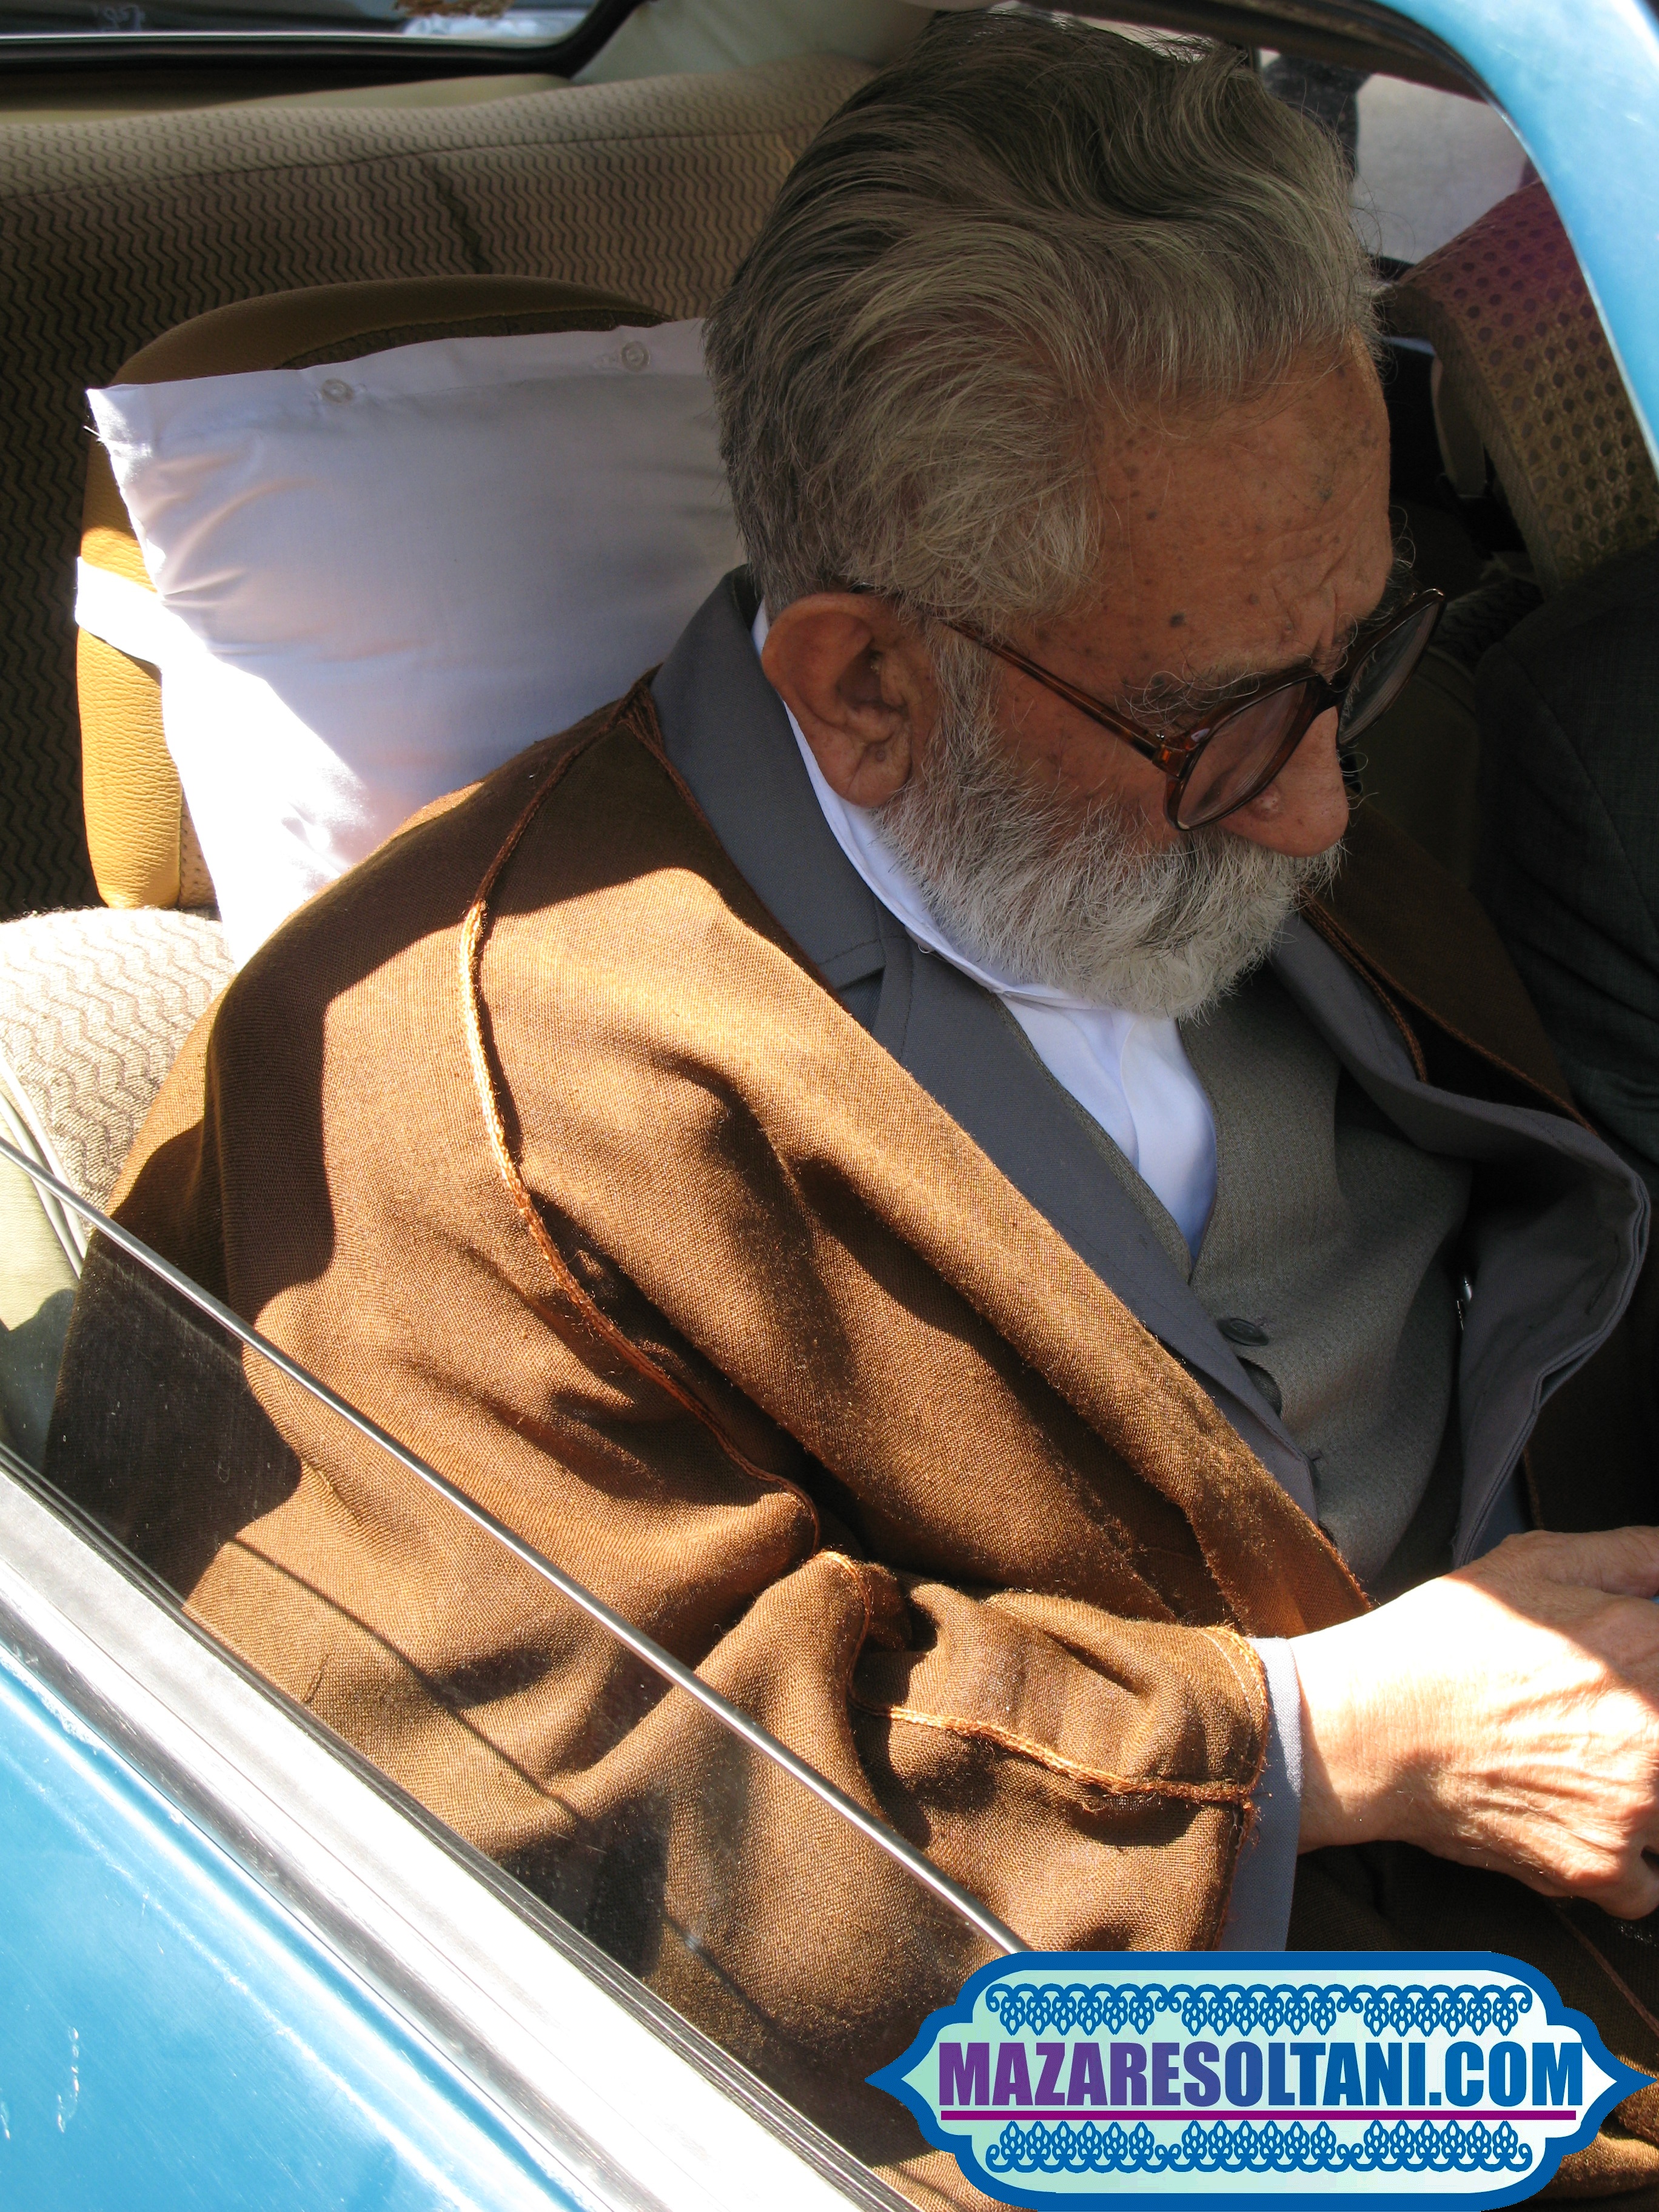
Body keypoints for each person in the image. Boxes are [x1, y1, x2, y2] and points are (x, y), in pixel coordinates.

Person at [47, 17, 1659, 2205]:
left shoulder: (1295, 740)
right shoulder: (434, 1109)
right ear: (865, 685)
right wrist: (1321, 1754)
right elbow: (596, 1834)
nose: (1320, 806)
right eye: (1210, 726)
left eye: (1353, 658)